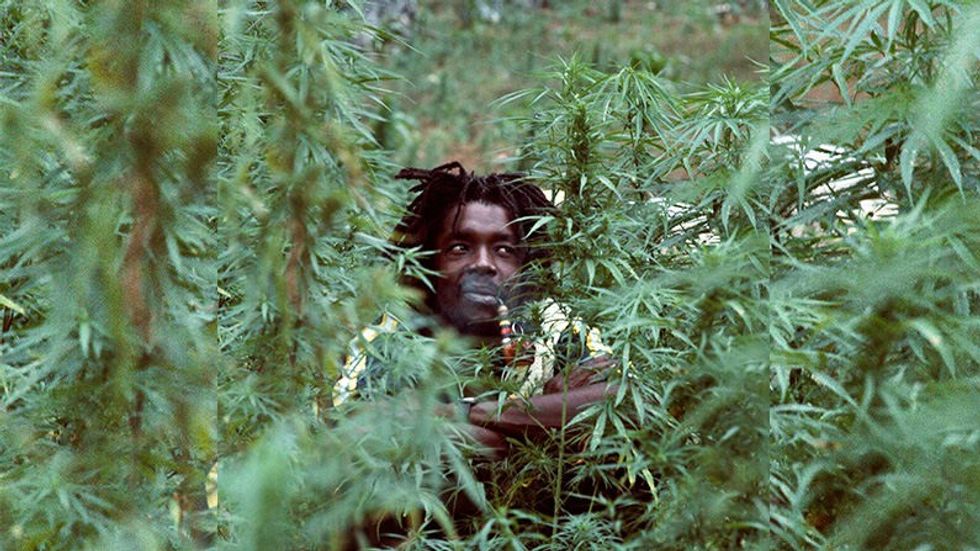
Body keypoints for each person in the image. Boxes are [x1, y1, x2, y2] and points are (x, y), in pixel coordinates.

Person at [332, 161, 618, 454]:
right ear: (430, 261)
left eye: (504, 250)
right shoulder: (393, 335)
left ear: (526, 265)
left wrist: (460, 413)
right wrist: (541, 422)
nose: (483, 263)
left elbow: (625, 400)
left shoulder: (550, 325)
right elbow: (351, 430)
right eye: (460, 248)